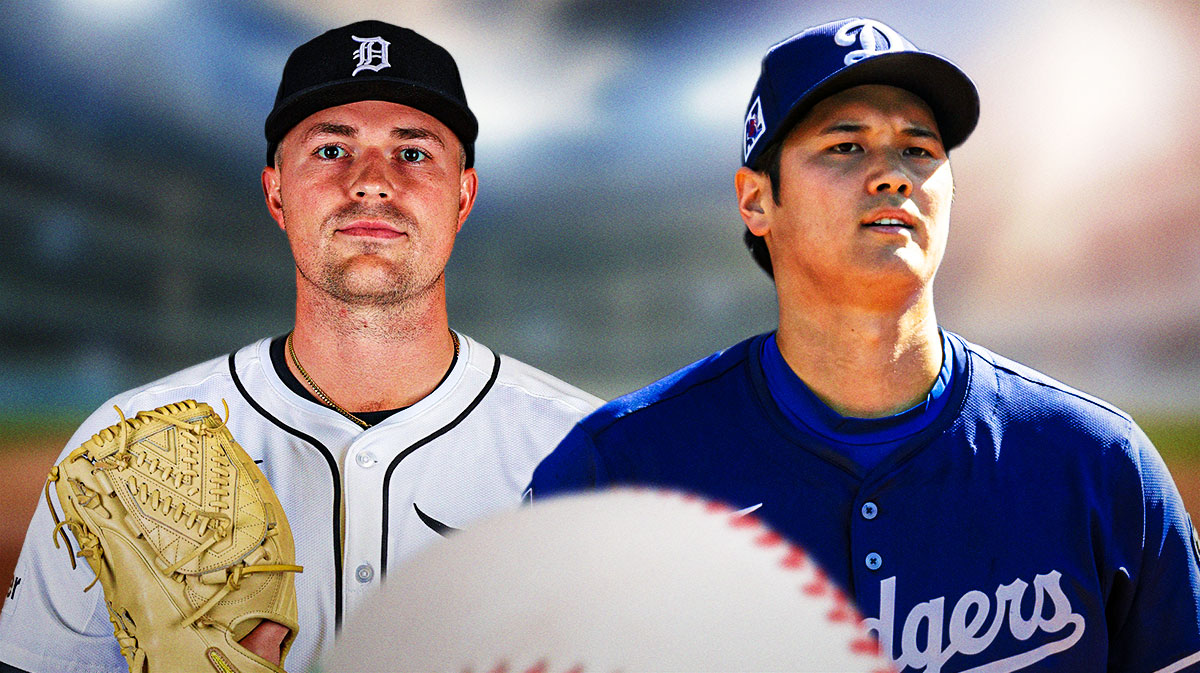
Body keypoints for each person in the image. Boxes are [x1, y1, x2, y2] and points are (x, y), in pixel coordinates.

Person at [529, 17, 1200, 672]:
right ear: (756, 200)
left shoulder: (1100, 462)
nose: (893, 174)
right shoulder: (611, 473)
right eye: (845, 146)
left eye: (919, 147)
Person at [0, 20, 601, 673]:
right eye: (331, 150)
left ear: (464, 195)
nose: (372, 182)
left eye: (415, 152)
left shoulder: (594, 457)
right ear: (276, 191)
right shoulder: (122, 447)